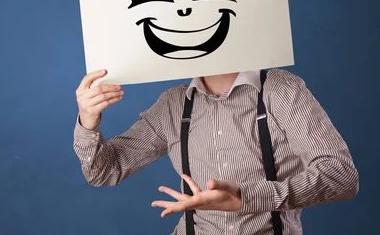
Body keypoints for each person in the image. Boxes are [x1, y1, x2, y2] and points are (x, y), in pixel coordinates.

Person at [73, 68, 358, 235]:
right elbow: (103, 172)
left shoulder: (281, 90)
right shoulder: (173, 104)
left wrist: (247, 198)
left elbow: (341, 176)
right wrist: (88, 118)